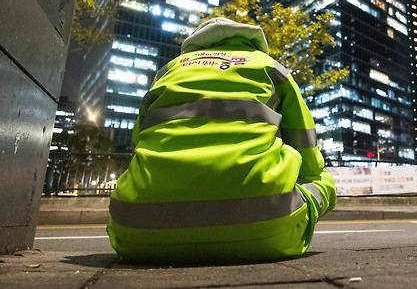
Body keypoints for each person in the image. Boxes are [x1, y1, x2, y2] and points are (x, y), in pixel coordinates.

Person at [107, 17, 336, 263]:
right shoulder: (270, 67)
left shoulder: (170, 70)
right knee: (323, 179)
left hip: (136, 233)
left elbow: (138, 142)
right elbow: (305, 146)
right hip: (270, 229)